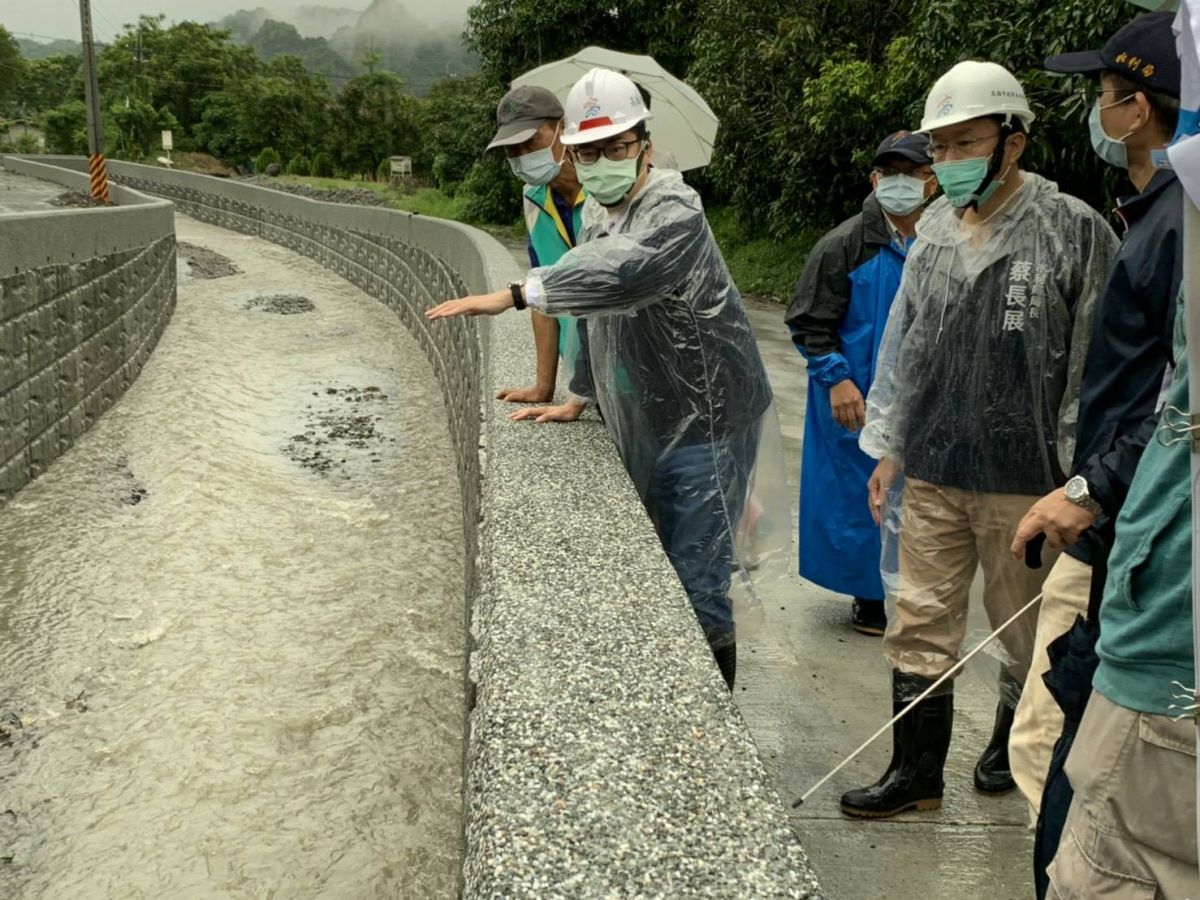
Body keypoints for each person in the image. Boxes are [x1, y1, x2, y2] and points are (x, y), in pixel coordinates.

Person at [425, 67, 785, 690]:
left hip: (711, 416)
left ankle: (710, 720)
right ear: (569, 144)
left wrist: (518, 292)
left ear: (643, 142)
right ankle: (671, 689)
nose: (600, 161)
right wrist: (579, 394)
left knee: (698, 575)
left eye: (615, 147)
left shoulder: (674, 207)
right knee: (658, 558)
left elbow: (620, 276)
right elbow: (597, 318)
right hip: (650, 409)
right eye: (588, 150)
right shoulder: (596, 210)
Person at [843, 60, 1118, 819]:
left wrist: (1078, 478)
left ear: (1014, 142)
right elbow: (907, 349)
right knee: (919, 618)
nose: (950, 162)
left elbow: (1097, 365)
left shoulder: (1074, 231)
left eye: (967, 142)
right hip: (933, 467)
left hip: (1026, 481)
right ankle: (916, 773)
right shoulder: (931, 231)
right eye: (942, 147)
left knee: (1024, 629)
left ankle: (1009, 742)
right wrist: (891, 446)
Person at [1007, 11, 1183, 840]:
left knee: (1064, 753)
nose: (1099, 116)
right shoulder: (1149, 213)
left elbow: (1179, 403)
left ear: (1138, 108)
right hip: (1119, 517)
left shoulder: (1179, 224)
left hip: (1132, 526)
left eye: (1105, 96)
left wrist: (1089, 485)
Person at [1043, 288, 1196, 898]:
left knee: (1103, 862)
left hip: (1165, 659)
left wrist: (1091, 490)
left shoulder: (1170, 221)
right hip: (1145, 615)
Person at [785, 130, 936, 637]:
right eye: (888, 173)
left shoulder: (944, 239)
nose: (899, 183)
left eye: (911, 174)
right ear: (874, 180)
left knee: (921, 487)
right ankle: (869, 594)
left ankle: (913, 585)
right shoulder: (846, 243)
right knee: (858, 488)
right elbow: (809, 320)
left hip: (919, 388)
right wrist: (835, 377)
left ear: (930, 182)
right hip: (855, 390)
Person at [486, 85, 585, 404]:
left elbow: (613, 295)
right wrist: (544, 388)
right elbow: (543, 292)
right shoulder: (533, 198)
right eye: (511, 150)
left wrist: (579, 396)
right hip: (586, 383)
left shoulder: (607, 190)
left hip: (635, 380)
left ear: (563, 128)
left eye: (530, 142)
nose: (522, 156)